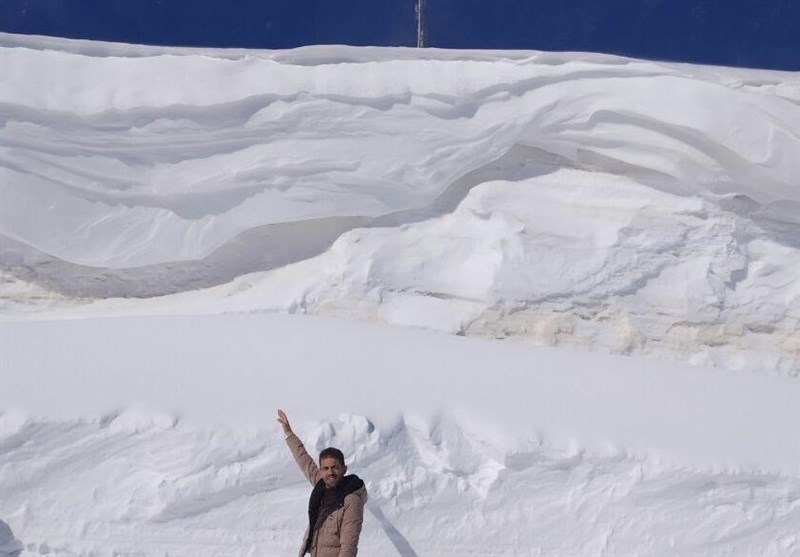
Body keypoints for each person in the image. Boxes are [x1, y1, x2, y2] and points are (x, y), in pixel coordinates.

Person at [278, 409, 368, 557]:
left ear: (344, 469)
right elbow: (304, 460)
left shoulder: (351, 501)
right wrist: (289, 434)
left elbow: (349, 548)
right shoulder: (322, 486)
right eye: (325, 468)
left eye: (335, 468)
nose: (330, 472)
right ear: (321, 471)